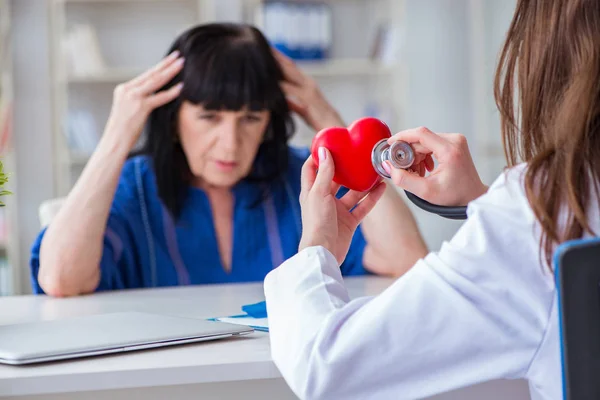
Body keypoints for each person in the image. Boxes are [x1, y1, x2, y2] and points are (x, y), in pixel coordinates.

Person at [264, 1, 598, 399]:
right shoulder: (540, 212)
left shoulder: (541, 210)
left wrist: (315, 245)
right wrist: (482, 203)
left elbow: (326, 367)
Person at [30, 23, 426, 297]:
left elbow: (408, 259)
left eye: (250, 118)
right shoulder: (136, 186)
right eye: (209, 117)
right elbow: (61, 279)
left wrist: (326, 118)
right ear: (173, 119)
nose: (230, 144)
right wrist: (118, 133)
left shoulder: (302, 179)